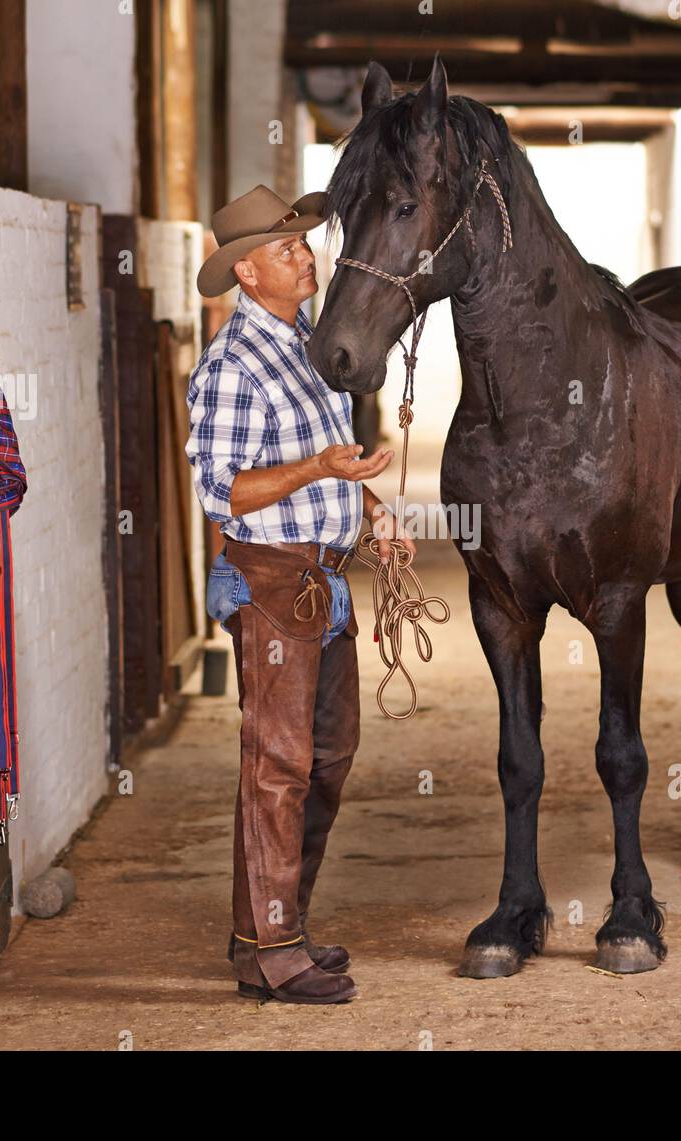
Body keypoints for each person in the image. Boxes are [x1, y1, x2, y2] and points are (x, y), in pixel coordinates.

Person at [187, 184, 413, 1004]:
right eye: (288, 249)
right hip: (274, 580)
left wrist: (372, 508)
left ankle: (273, 931)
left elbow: (333, 453)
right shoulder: (230, 366)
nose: (308, 256)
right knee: (277, 764)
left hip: (321, 577)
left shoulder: (306, 341)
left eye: (305, 243)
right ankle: (275, 950)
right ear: (247, 272)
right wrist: (319, 471)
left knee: (327, 755)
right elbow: (223, 490)